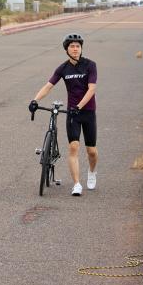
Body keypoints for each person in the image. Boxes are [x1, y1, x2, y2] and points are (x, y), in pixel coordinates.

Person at [28, 33, 98, 196]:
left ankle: (92, 172)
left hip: (87, 112)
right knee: (73, 147)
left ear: (81, 48)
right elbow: (48, 86)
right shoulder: (63, 68)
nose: (75, 49)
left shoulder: (90, 65)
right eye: (72, 46)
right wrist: (34, 100)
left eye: (78, 46)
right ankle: (77, 184)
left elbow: (92, 89)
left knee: (92, 151)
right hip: (72, 113)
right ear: (67, 49)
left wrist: (79, 106)